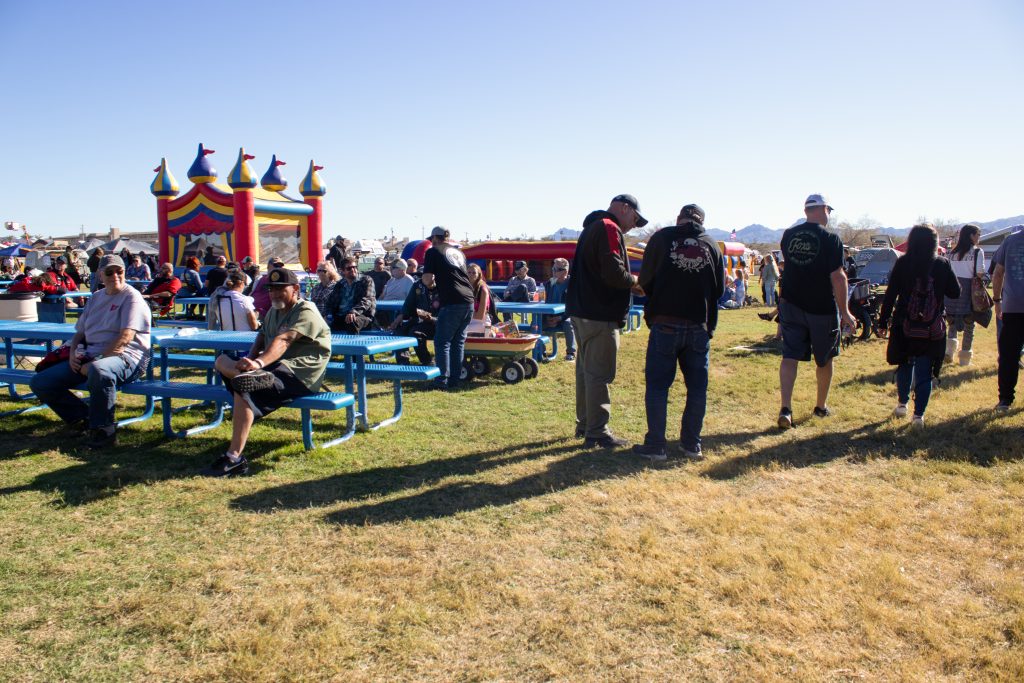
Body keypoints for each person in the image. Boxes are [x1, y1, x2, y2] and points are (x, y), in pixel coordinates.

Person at [203, 267, 331, 476]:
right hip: (273, 369)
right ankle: (247, 378)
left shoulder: (305, 310)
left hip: (300, 374)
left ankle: (234, 457)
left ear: (296, 289)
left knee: (244, 389)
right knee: (221, 360)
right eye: (271, 289)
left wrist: (258, 363)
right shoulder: (273, 310)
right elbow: (261, 337)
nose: (274, 293)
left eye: (281, 289)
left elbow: (284, 340)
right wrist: (251, 359)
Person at [632, 203, 724, 462]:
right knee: (697, 388)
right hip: (698, 325)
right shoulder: (712, 244)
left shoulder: (661, 238)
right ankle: (692, 445)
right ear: (702, 222)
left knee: (658, 387)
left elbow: (645, 280)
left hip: (665, 322)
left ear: (678, 218)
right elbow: (719, 290)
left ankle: (657, 445)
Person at [29, 255, 151, 449]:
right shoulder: (96, 297)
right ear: (100, 275)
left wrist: (97, 360)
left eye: (119, 271)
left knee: (99, 370)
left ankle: (104, 430)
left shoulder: (131, 297)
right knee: (40, 381)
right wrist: (71, 354)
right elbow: (80, 333)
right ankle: (82, 418)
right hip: (89, 357)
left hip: (128, 358)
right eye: (109, 272)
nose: (115, 276)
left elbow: (125, 337)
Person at [565, 193, 646, 448]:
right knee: (599, 373)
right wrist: (636, 283)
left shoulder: (591, 228)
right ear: (624, 208)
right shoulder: (609, 228)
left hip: (582, 311)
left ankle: (586, 423)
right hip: (600, 313)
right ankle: (597, 431)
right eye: (635, 218)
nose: (634, 224)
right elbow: (613, 270)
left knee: (586, 371)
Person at [776, 194, 857, 429]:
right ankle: (820, 407)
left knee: (789, 356)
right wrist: (845, 311)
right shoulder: (830, 238)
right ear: (821, 209)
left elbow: (789, 269)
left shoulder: (789, 235)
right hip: (821, 308)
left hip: (790, 303)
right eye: (828, 210)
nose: (829, 215)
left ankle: (786, 408)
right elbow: (838, 276)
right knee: (825, 358)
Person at [877, 224, 960, 427]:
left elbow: (890, 295)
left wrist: (882, 322)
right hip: (931, 327)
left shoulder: (903, 263)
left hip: (904, 323)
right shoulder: (942, 264)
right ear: (934, 242)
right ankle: (918, 416)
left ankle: (902, 404)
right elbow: (955, 292)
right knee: (925, 370)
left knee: (905, 364)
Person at [422, 226, 474, 389]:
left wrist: (430, 284)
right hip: (469, 300)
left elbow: (427, 279)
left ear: (435, 239)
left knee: (442, 341)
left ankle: (441, 380)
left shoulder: (433, 251)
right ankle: (454, 379)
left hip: (452, 301)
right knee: (458, 341)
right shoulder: (459, 252)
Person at [944, 223, 985, 366]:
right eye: (978, 235)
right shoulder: (977, 252)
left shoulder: (951, 253)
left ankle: (949, 352)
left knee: (952, 323)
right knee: (969, 325)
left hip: (952, 290)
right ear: (971, 236)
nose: (979, 238)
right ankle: (964, 360)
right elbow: (980, 272)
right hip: (968, 291)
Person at [992, 227, 1024, 410]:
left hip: (1013, 306)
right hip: (1013, 307)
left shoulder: (1010, 241)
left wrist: (997, 300)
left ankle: (1005, 399)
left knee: (1009, 356)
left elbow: (998, 273)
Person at [391, 274, 440, 364]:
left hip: (438, 324)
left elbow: (447, 314)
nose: (425, 278)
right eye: (424, 275)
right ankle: (403, 363)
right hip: (420, 320)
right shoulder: (418, 285)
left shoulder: (444, 287)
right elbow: (409, 303)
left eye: (428, 275)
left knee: (415, 332)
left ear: (434, 276)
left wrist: (432, 319)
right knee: (400, 329)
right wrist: (401, 315)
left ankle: (427, 361)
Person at [326, 256, 376, 333]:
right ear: (343, 271)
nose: (353, 270)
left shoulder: (366, 280)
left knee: (351, 321)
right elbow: (331, 302)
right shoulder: (340, 284)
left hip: (361, 315)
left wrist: (353, 312)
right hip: (341, 316)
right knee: (324, 324)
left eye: (354, 267)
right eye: (349, 268)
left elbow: (367, 300)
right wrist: (327, 315)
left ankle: (354, 344)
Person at [543, 257, 577, 361]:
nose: (553, 272)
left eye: (556, 270)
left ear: (565, 271)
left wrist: (560, 318)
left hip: (566, 316)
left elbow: (574, 307)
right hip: (550, 315)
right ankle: (540, 350)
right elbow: (545, 303)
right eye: (552, 269)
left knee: (568, 323)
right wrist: (547, 317)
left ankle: (571, 352)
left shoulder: (573, 284)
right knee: (536, 323)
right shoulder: (549, 284)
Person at [379, 258, 415, 327]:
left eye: (393, 268)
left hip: (396, 309)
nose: (390, 269)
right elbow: (383, 295)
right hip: (384, 307)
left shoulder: (409, 281)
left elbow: (411, 300)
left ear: (401, 269)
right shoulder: (391, 280)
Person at [467, 262, 497, 327]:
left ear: (479, 275)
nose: (471, 275)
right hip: (468, 319)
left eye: (474, 273)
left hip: (482, 322)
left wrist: (462, 313)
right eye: (469, 272)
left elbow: (480, 316)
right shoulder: (464, 288)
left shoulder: (483, 290)